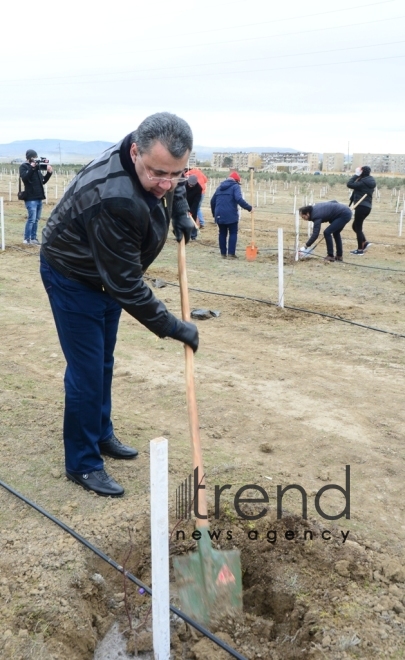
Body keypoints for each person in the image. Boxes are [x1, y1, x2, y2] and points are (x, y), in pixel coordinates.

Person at [40, 112, 198, 498]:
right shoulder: (114, 196)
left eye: (176, 173)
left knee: (103, 361)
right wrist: (174, 327)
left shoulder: (156, 160)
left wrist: (180, 214)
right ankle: (82, 462)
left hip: (105, 275)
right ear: (135, 152)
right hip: (74, 277)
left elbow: (171, 183)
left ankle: (101, 433)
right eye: (158, 173)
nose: (167, 182)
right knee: (87, 372)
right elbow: (127, 286)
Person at [210, 171, 252, 259]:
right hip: (231, 214)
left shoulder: (219, 187)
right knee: (233, 232)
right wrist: (249, 208)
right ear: (236, 181)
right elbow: (239, 199)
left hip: (219, 214)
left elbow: (212, 201)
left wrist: (215, 214)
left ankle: (223, 254)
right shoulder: (235, 186)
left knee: (222, 233)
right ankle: (231, 254)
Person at [19, 149, 53, 245]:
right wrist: (31, 168)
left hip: (39, 197)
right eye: (33, 157)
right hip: (30, 198)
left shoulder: (37, 169)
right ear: (29, 158)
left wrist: (49, 173)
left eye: (36, 157)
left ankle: (34, 238)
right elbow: (25, 178)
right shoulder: (23, 167)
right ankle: (27, 239)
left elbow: (42, 181)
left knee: (37, 219)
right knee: (31, 219)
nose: (35, 159)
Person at [346, 165, 376, 255]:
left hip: (361, 206)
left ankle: (360, 250)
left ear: (361, 172)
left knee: (358, 228)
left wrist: (356, 175)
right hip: (367, 207)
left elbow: (349, 184)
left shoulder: (363, 182)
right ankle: (365, 242)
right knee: (355, 226)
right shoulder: (370, 180)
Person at [184, 174, 203, 240]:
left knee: (193, 219)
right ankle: (181, 234)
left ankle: (193, 235)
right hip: (183, 203)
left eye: (192, 185)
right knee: (182, 220)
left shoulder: (199, 188)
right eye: (189, 184)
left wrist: (191, 211)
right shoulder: (184, 185)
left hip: (192, 204)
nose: (190, 186)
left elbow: (196, 201)